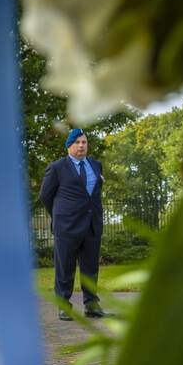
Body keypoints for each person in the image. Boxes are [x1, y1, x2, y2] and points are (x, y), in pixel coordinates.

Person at [39, 128, 106, 320]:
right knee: (65, 268)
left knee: (90, 268)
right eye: (77, 142)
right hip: (66, 226)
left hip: (92, 225)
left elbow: (93, 193)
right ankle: (63, 306)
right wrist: (59, 215)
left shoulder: (96, 165)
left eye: (84, 142)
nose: (81, 146)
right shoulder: (57, 168)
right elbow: (45, 196)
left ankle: (91, 305)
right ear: (69, 146)